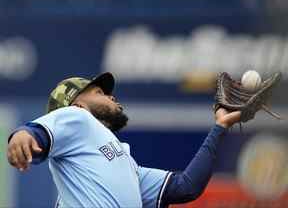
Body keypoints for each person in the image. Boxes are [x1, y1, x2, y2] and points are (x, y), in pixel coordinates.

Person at [7, 72, 241, 208]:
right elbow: (37, 133)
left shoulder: (127, 166)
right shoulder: (76, 116)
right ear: (77, 104)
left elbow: (186, 187)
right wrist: (21, 135)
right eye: (99, 92)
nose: (111, 96)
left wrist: (220, 127)